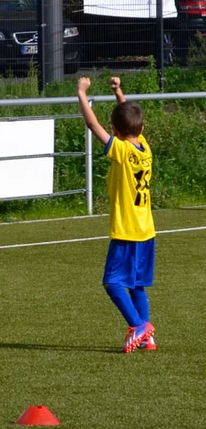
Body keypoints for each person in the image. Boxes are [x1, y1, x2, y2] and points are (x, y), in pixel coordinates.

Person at [77, 76, 156, 353]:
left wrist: (81, 92)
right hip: (147, 230)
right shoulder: (144, 148)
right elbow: (129, 120)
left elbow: (92, 125)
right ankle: (148, 338)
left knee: (112, 282)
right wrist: (118, 92)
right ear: (141, 128)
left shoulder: (121, 151)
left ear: (115, 129)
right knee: (136, 285)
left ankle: (138, 326)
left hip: (127, 230)